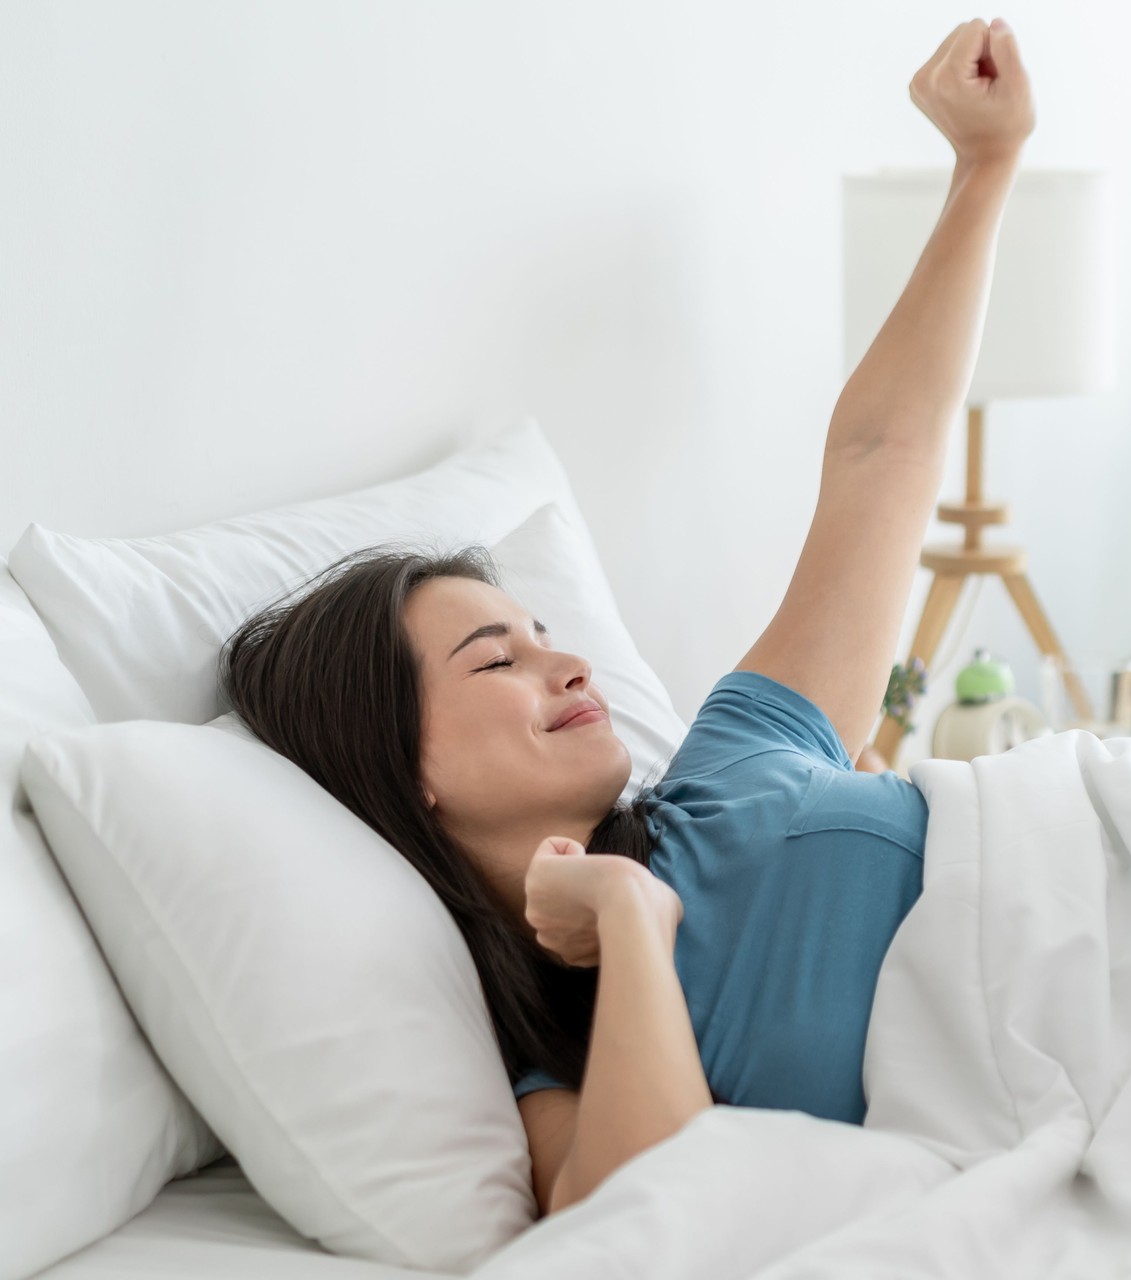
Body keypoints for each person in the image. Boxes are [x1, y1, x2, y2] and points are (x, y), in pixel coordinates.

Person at [220, 18, 1034, 1219]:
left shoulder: (732, 758)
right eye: (497, 652)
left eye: (542, 628)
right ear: (408, 764)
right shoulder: (559, 1074)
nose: (565, 658)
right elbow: (642, 1219)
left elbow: (880, 455)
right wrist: (625, 914)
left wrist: (986, 166)